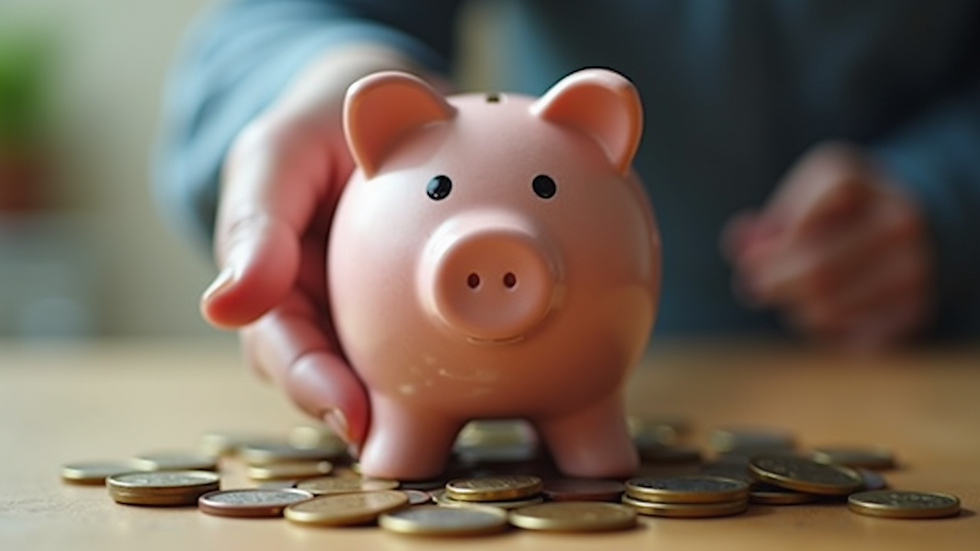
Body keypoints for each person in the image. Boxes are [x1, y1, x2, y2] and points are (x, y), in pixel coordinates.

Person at [155, 0, 980, 447]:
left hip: (946, 370)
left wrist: (949, 188)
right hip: (647, 349)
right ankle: (410, 432)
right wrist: (324, 75)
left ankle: (583, 430)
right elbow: (270, 20)